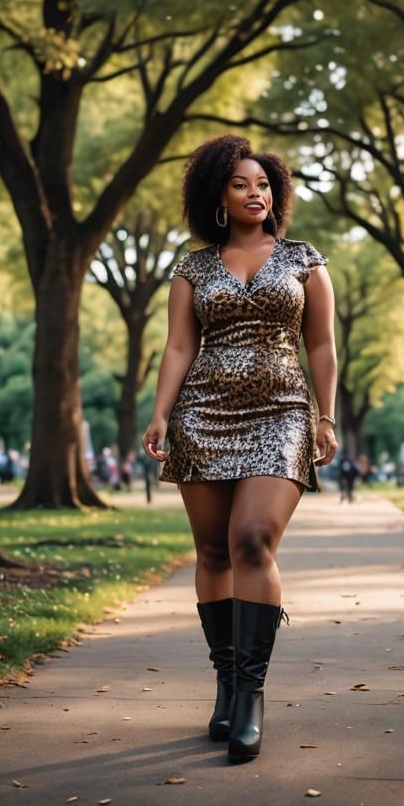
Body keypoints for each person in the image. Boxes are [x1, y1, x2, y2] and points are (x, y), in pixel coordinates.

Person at [142, 135, 338, 763]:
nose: (257, 193)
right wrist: (160, 414)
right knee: (211, 550)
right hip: (203, 413)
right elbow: (177, 346)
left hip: (281, 411)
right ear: (218, 198)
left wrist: (326, 417)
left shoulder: (305, 259)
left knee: (251, 538)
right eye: (241, 185)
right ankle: (225, 683)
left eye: (264, 184)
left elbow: (323, 347)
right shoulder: (193, 267)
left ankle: (250, 696)